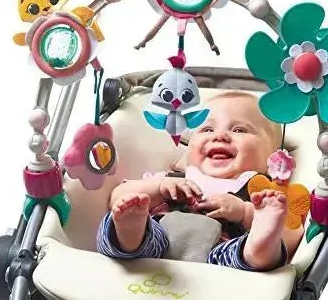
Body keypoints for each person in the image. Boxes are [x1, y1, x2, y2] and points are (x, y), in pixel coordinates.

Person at [96, 92, 303, 271]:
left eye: (239, 130)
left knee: (249, 252)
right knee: (123, 222)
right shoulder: (172, 178)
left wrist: (246, 213)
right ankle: (130, 234)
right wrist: (159, 188)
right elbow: (117, 197)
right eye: (207, 130)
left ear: (273, 157)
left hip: (221, 257)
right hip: (155, 247)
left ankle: (258, 249)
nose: (220, 136)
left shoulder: (262, 194)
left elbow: (292, 235)